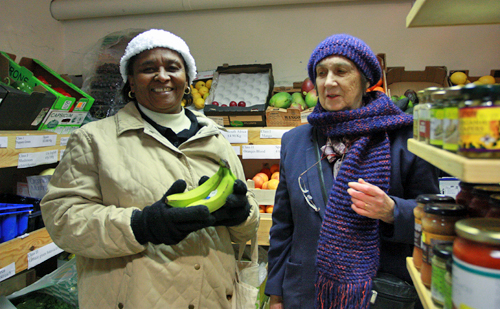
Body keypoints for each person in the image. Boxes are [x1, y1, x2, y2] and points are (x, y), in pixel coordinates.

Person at [41, 29, 260, 309]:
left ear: (187, 79)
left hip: (212, 298)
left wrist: (242, 215)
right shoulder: (94, 139)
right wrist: (140, 226)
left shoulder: (216, 138)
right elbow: (62, 220)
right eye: (147, 69)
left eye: (172, 67)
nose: (162, 76)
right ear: (130, 81)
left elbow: (247, 228)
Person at [264, 34, 440, 309]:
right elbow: (283, 226)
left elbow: (433, 216)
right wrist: (275, 294)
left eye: (341, 71)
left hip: (376, 293)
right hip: (307, 291)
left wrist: (393, 211)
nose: (328, 81)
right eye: (320, 73)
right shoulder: (296, 141)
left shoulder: (404, 138)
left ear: (366, 80)